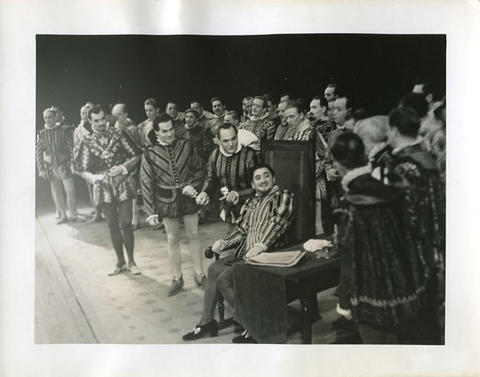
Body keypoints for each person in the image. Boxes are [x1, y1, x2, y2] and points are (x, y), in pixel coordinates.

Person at [331, 133, 435, 344]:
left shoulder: (348, 206)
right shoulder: (394, 189)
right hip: (409, 291)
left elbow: (349, 262)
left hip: (371, 299)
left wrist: (344, 303)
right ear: (364, 156)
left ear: (339, 165)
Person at [182, 164, 295, 343]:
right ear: (252, 183)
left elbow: (280, 222)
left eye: (267, 176)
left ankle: (256, 324)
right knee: (212, 269)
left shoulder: (283, 197)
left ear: (274, 179)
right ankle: (207, 321)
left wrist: (262, 245)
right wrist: (224, 243)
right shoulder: (251, 202)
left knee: (223, 279)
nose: (263, 180)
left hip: (269, 253)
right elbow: (242, 229)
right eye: (258, 178)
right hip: (246, 254)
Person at [374, 107, 445, 343]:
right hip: (431, 251)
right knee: (428, 323)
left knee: (413, 331)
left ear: (393, 130)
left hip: (411, 260)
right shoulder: (427, 157)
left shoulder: (403, 165)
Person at [140, 113, 207, 296]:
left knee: (194, 234)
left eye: (171, 130)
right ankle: (177, 278)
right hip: (166, 200)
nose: (170, 134)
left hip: (188, 198)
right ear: (156, 132)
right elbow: (146, 182)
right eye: (164, 131)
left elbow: (200, 169)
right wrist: (150, 211)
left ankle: (200, 274)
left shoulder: (186, 145)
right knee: (172, 239)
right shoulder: (150, 153)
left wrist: (193, 187)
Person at [74, 105, 143, 276]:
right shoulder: (87, 141)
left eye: (103, 118)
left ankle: (132, 261)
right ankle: (120, 262)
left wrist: (123, 168)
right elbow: (80, 168)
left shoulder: (119, 134)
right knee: (112, 225)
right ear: (90, 122)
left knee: (126, 222)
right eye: (96, 121)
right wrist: (93, 178)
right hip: (103, 186)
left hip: (123, 183)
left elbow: (137, 154)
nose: (101, 123)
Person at [196, 123, 259, 226]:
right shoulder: (215, 156)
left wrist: (238, 194)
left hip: (252, 210)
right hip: (229, 210)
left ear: (237, 135)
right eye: (225, 141)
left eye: (233, 139)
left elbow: (258, 187)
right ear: (218, 140)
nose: (231, 144)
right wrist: (205, 193)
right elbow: (212, 181)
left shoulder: (251, 155)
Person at [36, 107, 77, 224]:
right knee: (57, 191)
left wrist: (73, 163)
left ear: (55, 117)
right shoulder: (42, 134)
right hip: (50, 165)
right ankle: (63, 215)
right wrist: (41, 169)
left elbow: (71, 148)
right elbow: (38, 153)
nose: (48, 120)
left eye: (50, 117)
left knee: (70, 190)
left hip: (64, 163)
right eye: (45, 118)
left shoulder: (64, 130)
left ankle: (72, 214)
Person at [112, 103, 143, 230]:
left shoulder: (132, 128)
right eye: (114, 114)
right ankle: (124, 219)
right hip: (116, 164)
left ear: (125, 115)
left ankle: (135, 220)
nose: (116, 117)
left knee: (133, 192)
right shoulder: (113, 127)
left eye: (119, 114)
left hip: (130, 164)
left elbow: (136, 150)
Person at [184, 109, 215, 225]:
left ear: (197, 119)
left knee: (202, 186)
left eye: (191, 117)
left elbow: (209, 147)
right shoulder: (184, 132)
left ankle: (203, 214)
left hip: (202, 162)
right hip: (187, 164)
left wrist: (196, 151)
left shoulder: (203, 131)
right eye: (187, 117)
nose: (188, 119)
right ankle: (191, 214)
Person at [73, 103, 103, 223]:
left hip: (100, 160)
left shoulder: (98, 126)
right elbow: (75, 145)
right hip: (88, 162)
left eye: (86, 112)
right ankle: (97, 212)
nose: (84, 115)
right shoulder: (79, 129)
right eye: (82, 113)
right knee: (91, 188)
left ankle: (107, 211)